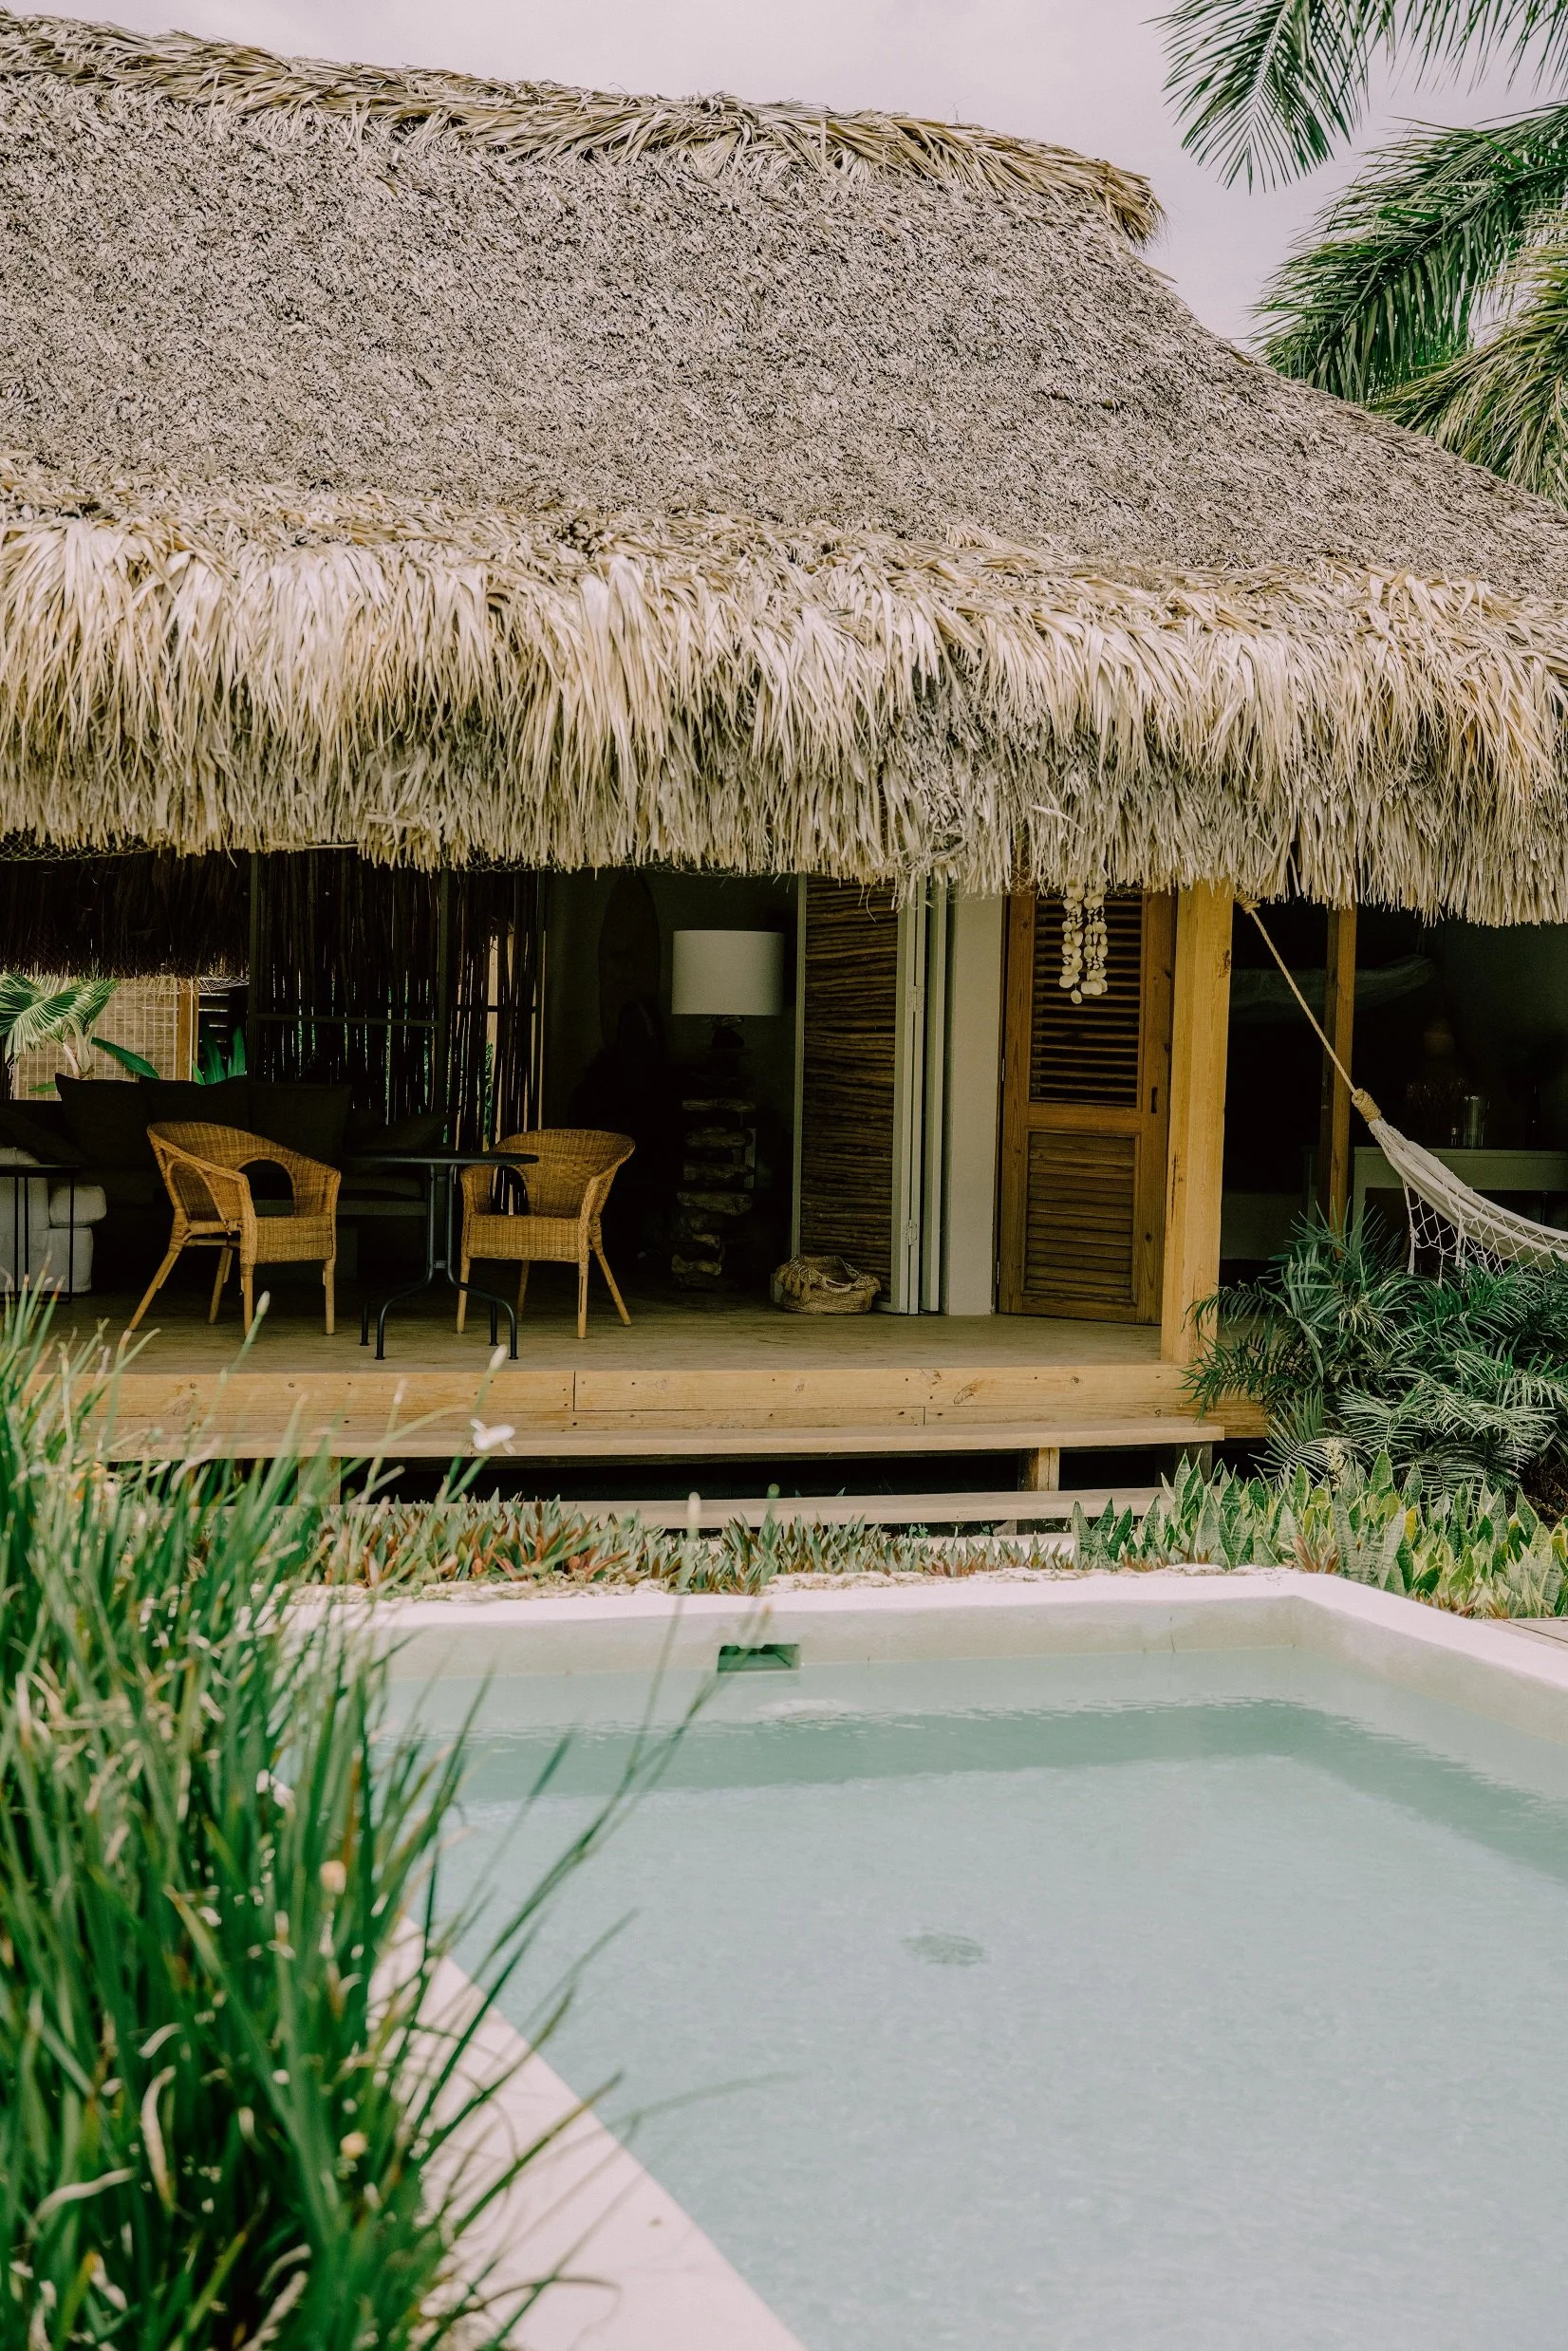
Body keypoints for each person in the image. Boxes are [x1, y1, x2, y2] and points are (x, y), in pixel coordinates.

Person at [1402, 1015, 1469, 1147]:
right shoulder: (1415, 1085)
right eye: (1433, 1031)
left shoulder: (1461, 1084)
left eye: (1443, 1032)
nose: (1438, 1036)